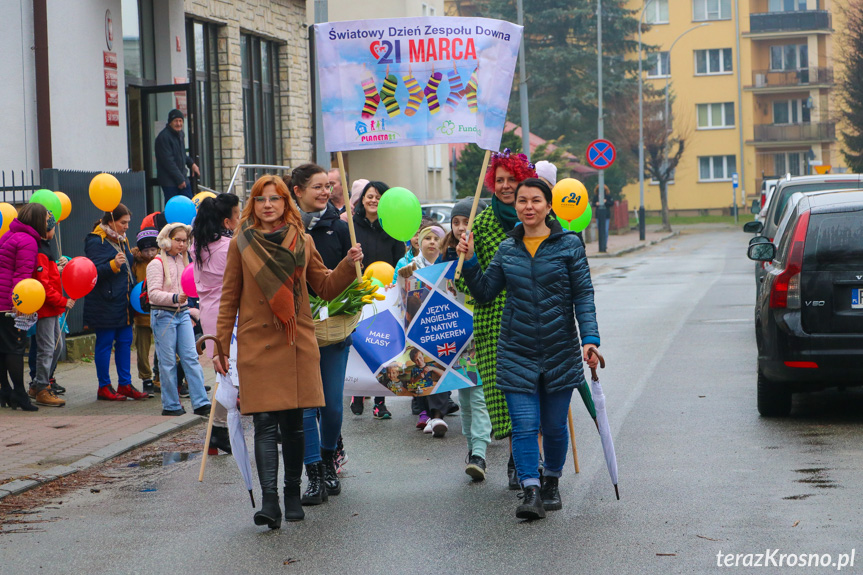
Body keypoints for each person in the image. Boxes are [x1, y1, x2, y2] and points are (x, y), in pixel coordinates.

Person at [214, 174, 362, 530]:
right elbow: (229, 298)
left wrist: (348, 264)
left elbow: (325, 287)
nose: (268, 205)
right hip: (256, 343)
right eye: (261, 199)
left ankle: (292, 493)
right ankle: (269, 502)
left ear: (285, 203)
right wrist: (220, 344)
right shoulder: (241, 243)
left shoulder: (303, 240)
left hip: (296, 342)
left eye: (275, 199)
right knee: (264, 423)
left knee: (294, 425)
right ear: (253, 204)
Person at [458, 177, 600, 520]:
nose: (528, 207)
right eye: (523, 201)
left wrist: (590, 340)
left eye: (536, 200)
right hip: (516, 350)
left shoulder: (568, 245)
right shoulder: (508, 248)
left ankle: (551, 480)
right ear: (516, 206)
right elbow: (486, 292)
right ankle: (531, 489)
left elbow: (583, 295)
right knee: (523, 426)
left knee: (553, 427)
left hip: (559, 350)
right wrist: (472, 260)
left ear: (549, 206)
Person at [455, 148, 536, 489]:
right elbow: (463, 281)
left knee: (530, 395)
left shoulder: (537, 222)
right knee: (502, 399)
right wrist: (467, 260)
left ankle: (523, 463)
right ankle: (520, 457)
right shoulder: (480, 224)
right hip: (493, 326)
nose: (505, 186)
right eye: (499, 180)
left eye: (511, 180)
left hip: (533, 323)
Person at [290, 163, 353, 506]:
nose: (325, 192)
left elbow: (351, 278)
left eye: (328, 186)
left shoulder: (340, 228)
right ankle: (313, 475)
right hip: (297, 331)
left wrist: (353, 265)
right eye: (317, 187)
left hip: (334, 330)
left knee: (330, 407)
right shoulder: (286, 229)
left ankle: (329, 458)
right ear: (297, 191)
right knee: (304, 407)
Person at [441, 198, 493, 481]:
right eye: (456, 222)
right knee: (464, 396)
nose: (461, 228)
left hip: (480, 333)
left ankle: (480, 453)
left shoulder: (485, 251)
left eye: (467, 222)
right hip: (455, 337)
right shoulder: (445, 254)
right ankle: (472, 448)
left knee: (479, 396)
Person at [350, 180, 404, 420]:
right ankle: (358, 393)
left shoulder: (391, 228)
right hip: (358, 291)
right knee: (360, 341)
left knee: (382, 346)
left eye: (379, 197)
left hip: (386, 293)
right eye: (369, 196)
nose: (373, 200)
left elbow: (400, 261)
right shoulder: (351, 227)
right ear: (362, 200)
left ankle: (380, 402)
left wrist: (396, 281)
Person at [84, 204, 149, 401]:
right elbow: (92, 272)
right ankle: (104, 386)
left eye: (128, 222)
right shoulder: (95, 240)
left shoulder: (122, 240)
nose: (127, 226)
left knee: (125, 343)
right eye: (123, 222)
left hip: (123, 302)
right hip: (105, 302)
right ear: (110, 221)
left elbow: (128, 267)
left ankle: (125, 383)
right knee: (104, 344)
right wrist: (113, 265)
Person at [192, 193, 241, 451]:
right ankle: (218, 429)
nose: (240, 217)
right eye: (237, 214)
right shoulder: (227, 247)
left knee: (224, 371)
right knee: (227, 373)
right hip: (227, 312)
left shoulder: (198, 244)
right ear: (226, 220)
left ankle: (216, 431)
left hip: (208, 311)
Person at [147, 223, 210, 417]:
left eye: (185, 240)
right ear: (167, 240)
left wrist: (190, 309)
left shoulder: (184, 261)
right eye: (178, 240)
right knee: (167, 363)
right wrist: (174, 298)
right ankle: (171, 405)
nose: (182, 244)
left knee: (190, 357)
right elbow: (153, 294)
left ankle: (200, 402)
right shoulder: (156, 264)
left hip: (182, 314)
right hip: (163, 315)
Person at [0, 204, 47, 411]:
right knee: (15, 348)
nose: (47, 223)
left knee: (2, 349)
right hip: (10, 303)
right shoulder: (28, 241)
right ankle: (19, 393)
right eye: (46, 219)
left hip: (0, 301)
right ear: (38, 220)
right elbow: (22, 274)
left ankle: (5, 391)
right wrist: (18, 303)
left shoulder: (9, 234)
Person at [28, 212, 72, 407]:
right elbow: (44, 285)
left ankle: (38, 384)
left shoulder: (46, 248)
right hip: (47, 307)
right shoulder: (40, 251)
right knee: (47, 349)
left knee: (57, 347)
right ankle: (42, 389)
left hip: (53, 307)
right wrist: (62, 301)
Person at [131, 228, 159, 396]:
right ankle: (146, 378)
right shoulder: (137, 263)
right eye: (146, 250)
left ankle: (161, 377)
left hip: (160, 311)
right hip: (142, 313)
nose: (149, 253)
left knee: (164, 348)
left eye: (153, 249)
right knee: (142, 348)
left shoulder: (162, 261)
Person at [155, 109, 200, 201]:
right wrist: (179, 179)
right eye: (176, 121)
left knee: (189, 207)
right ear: (170, 122)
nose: (178, 124)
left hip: (182, 179)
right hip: (170, 183)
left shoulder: (180, 134)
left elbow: (182, 154)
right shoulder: (163, 137)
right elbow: (168, 162)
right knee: (173, 210)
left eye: (180, 121)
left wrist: (191, 164)